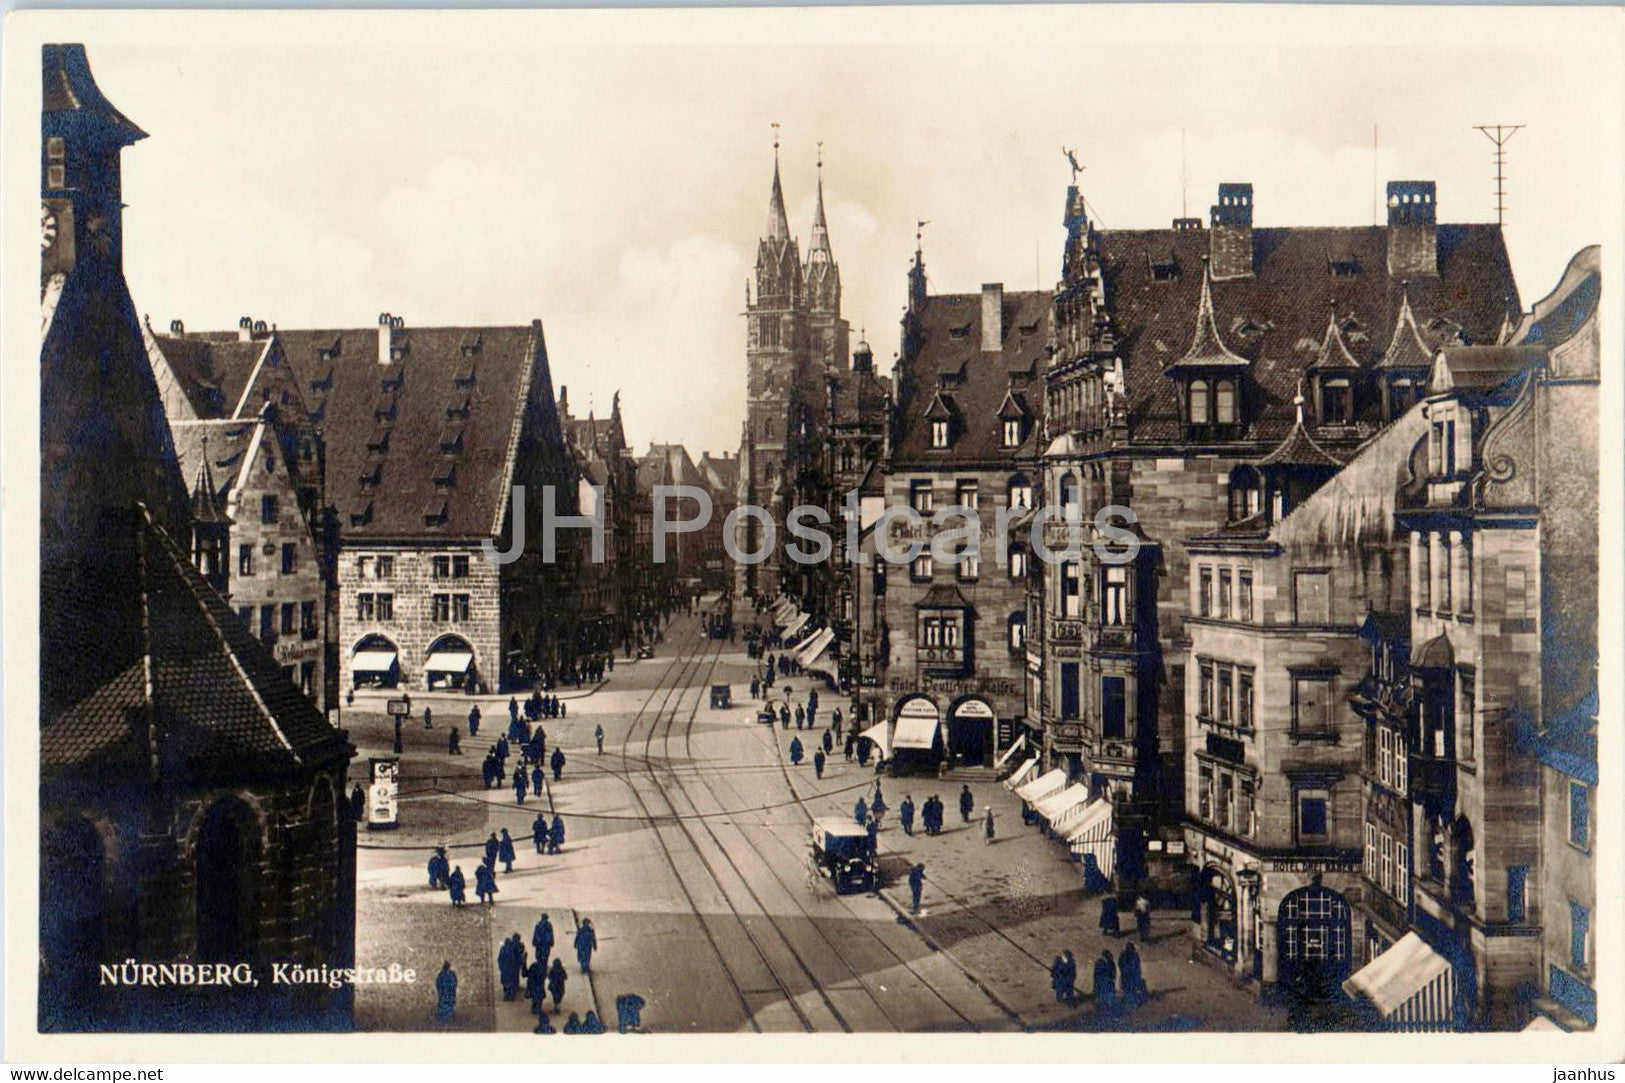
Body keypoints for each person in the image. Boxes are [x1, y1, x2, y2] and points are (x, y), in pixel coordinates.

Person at [1119, 941, 1146, 1007]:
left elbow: (1137, 964)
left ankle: (1133, 1002)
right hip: (1128, 975)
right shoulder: (1124, 955)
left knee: (1132, 989)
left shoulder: (1134, 954)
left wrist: (1138, 972)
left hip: (1132, 975)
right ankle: (1129, 1002)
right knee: (1128, 989)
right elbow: (1121, 965)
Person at [1093, 950, 1117, 1015]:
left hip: (1105, 984)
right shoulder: (1106, 963)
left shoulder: (1107, 963)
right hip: (1104, 984)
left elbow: (1096, 975)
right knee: (1106, 999)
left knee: (1106, 999)